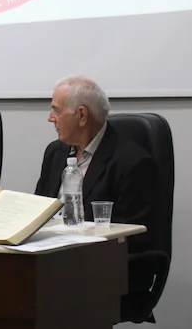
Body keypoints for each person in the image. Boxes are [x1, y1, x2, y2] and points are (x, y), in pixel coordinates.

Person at [34, 76, 157, 252]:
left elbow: (130, 236)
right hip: (47, 252)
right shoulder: (55, 153)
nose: (50, 118)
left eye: (57, 111)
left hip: (97, 261)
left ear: (82, 115)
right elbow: (40, 210)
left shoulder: (132, 163)